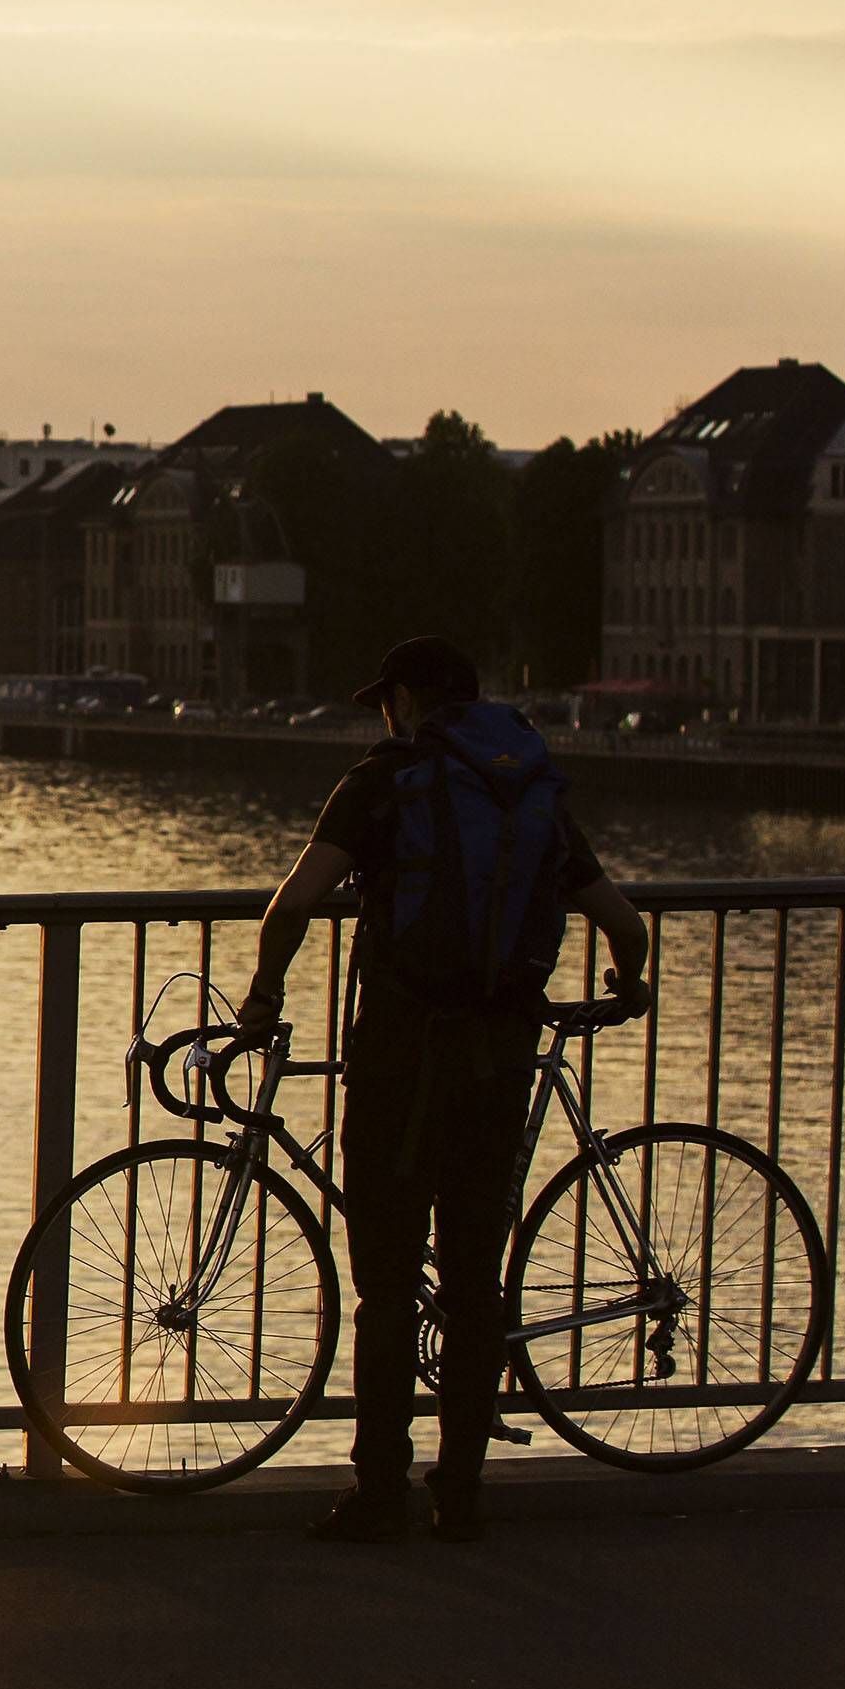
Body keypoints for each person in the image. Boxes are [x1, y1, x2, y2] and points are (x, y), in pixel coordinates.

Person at [236, 636, 652, 1545]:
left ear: (411, 701)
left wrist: (262, 1001)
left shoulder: (385, 779)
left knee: (385, 1284)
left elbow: (295, 902)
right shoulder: (529, 789)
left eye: (387, 700)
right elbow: (622, 919)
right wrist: (630, 982)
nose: (384, 714)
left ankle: (379, 1491)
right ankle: (459, 1493)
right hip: (499, 1057)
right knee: (473, 1282)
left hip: (397, 1059)